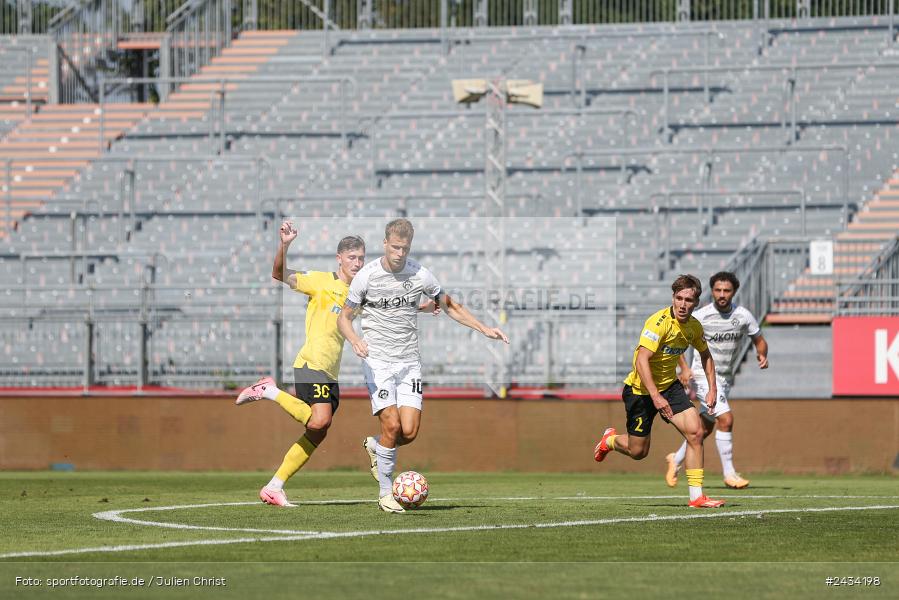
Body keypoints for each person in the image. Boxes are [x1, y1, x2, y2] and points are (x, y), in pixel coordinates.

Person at [337, 218, 509, 513]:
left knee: (410, 431)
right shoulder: (366, 276)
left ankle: (377, 445)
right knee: (391, 424)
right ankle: (384, 494)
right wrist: (354, 339)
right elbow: (344, 317)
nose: (400, 253)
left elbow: (450, 305)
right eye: (395, 247)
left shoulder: (420, 275)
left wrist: (484, 328)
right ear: (385, 244)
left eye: (405, 248)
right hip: (377, 361)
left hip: (409, 363)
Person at [232, 221, 365, 507]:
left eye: (361, 257)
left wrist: (425, 305)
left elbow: (390, 304)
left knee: (318, 431)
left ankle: (274, 486)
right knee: (320, 420)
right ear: (339, 258)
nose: (357, 262)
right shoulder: (319, 281)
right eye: (352, 257)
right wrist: (285, 245)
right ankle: (269, 390)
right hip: (310, 363)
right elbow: (278, 274)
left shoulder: (359, 294)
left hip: (330, 372)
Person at [593, 274, 725, 508]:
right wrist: (655, 396)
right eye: (679, 298)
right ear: (673, 298)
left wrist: (713, 388)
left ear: (696, 302)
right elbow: (642, 360)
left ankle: (696, 497)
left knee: (695, 433)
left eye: (689, 300)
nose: (683, 304)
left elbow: (706, 355)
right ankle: (610, 440)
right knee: (638, 451)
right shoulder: (658, 322)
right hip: (640, 391)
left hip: (670, 387)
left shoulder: (694, 327)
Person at [665, 271, 769, 490]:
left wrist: (762, 353)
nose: (722, 294)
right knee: (726, 419)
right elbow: (676, 338)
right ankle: (729, 474)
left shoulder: (742, 315)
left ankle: (676, 459)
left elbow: (759, 339)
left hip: (725, 379)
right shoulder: (701, 316)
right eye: (718, 290)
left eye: (727, 290)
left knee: (702, 430)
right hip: (703, 376)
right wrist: (683, 368)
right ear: (712, 291)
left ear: (734, 292)